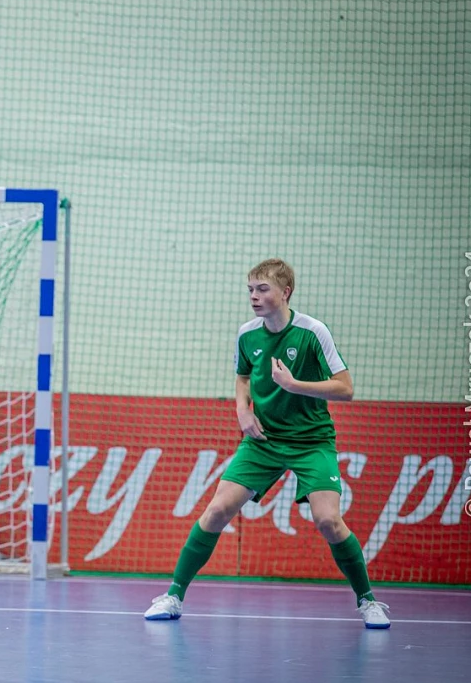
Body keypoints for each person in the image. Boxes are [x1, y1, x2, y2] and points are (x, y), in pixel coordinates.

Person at [144, 258, 390, 628]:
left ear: (285, 292)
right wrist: (242, 411)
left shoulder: (313, 332)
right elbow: (243, 377)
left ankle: (368, 600)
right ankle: (173, 595)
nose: (254, 297)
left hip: (311, 441)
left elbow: (346, 389)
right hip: (263, 440)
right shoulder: (247, 334)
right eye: (250, 290)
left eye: (263, 289)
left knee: (328, 520)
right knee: (216, 511)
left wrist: (294, 385)